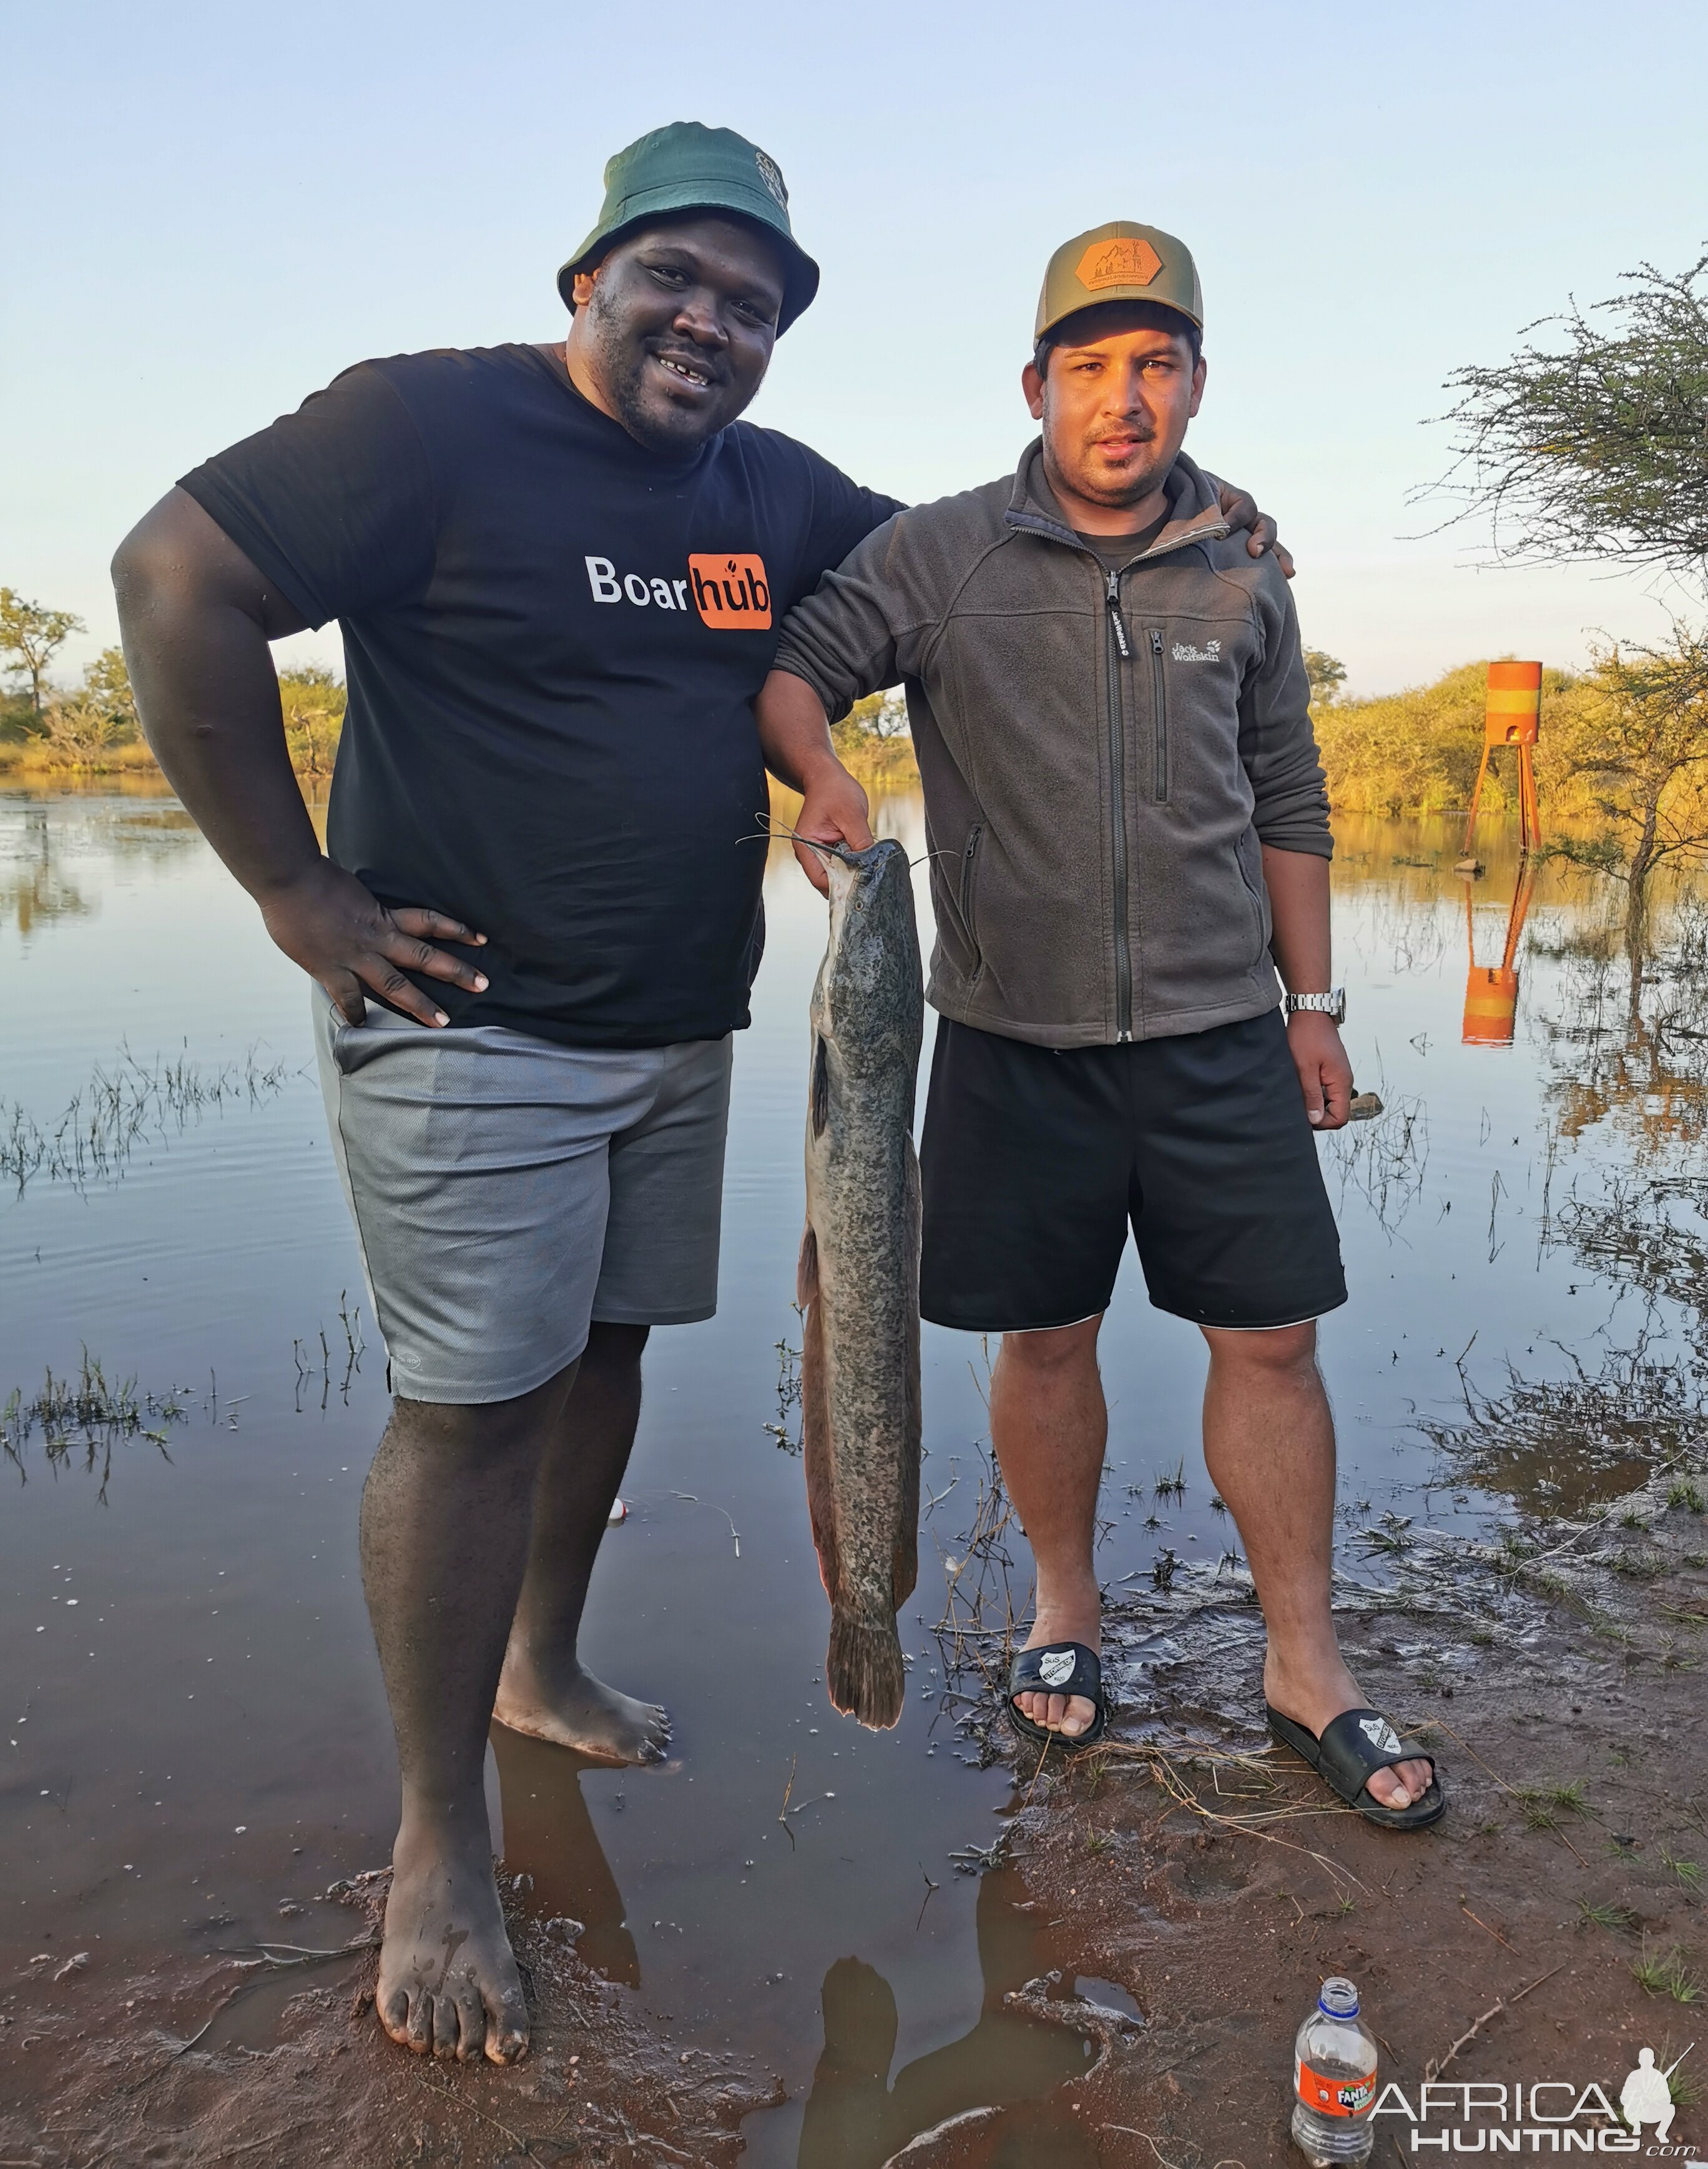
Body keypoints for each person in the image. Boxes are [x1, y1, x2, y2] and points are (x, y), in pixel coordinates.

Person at [112, 135, 1285, 2069]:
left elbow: (979, 556)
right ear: (590, 276)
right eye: (677, 277)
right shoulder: (424, 428)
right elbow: (175, 574)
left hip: (679, 1031)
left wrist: (1189, 506)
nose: (710, 323)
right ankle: (438, 1844)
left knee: (607, 1360)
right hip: (468, 1025)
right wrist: (292, 888)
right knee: (469, 1405)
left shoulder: (767, 490)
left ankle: (542, 1664)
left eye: (753, 303)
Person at [758, 222, 1445, 1830]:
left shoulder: (1246, 565)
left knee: (1273, 1342)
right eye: (1090, 365)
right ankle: (1066, 1613)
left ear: (1196, 383)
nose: (1122, 396)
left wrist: (1314, 1006)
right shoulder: (942, 555)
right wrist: (831, 773)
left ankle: (1304, 1663)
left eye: (1154, 364)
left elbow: (1289, 791)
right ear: (1037, 382)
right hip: (1010, 1036)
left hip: (1221, 1035)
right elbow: (798, 670)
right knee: (1043, 1338)